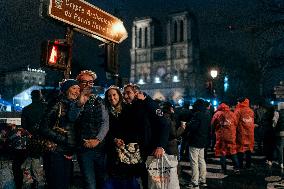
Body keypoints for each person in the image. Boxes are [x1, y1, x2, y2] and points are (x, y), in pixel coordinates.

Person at [122, 83, 170, 188]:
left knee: (154, 182)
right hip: (137, 152)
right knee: (143, 181)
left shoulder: (148, 104)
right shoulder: (130, 107)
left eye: (128, 93)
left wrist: (160, 146)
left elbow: (164, 125)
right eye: (124, 93)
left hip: (150, 150)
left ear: (137, 93)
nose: (125, 96)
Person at [40, 79, 81, 189]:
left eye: (78, 89)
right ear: (66, 90)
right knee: (57, 184)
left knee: (64, 184)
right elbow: (43, 127)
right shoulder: (57, 103)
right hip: (55, 151)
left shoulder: (75, 106)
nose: (77, 91)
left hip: (67, 152)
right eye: (74, 88)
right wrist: (63, 140)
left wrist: (71, 147)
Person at [75, 70, 109, 189]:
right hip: (84, 148)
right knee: (90, 183)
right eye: (84, 82)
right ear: (78, 83)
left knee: (102, 181)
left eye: (91, 82)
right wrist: (79, 103)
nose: (88, 85)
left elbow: (105, 122)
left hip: (100, 148)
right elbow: (71, 120)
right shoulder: (73, 100)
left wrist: (98, 140)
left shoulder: (99, 100)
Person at [104, 85, 141, 189]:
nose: (112, 98)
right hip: (112, 151)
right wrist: (114, 140)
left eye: (114, 95)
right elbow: (105, 130)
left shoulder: (129, 108)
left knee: (129, 180)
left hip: (127, 151)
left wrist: (124, 140)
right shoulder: (105, 112)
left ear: (119, 95)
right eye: (109, 96)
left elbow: (135, 128)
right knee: (113, 179)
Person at [21, 90, 47, 188]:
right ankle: (45, 180)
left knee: (34, 160)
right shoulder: (46, 107)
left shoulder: (26, 109)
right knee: (47, 160)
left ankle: (35, 181)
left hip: (33, 139)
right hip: (47, 138)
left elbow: (24, 126)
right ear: (40, 96)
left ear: (31, 97)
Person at [185, 99, 210, 188]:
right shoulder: (207, 115)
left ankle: (194, 182)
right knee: (201, 161)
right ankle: (203, 180)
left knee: (194, 162)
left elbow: (193, 127)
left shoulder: (197, 115)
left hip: (195, 141)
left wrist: (186, 125)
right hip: (203, 141)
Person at [211, 103, 240, 174]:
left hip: (221, 136)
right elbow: (236, 123)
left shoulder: (217, 114)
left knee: (222, 152)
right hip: (231, 136)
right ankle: (237, 168)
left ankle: (223, 169)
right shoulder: (232, 114)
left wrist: (213, 132)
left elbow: (212, 124)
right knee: (233, 151)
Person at [234, 98, 255, 169]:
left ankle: (240, 165)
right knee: (248, 149)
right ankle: (248, 165)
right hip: (250, 133)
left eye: (238, 102)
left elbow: (235, 122)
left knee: (240, 149)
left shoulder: (238, 110)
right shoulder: (251, 111)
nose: (237, 103)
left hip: (241, 133)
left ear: (240, 102)